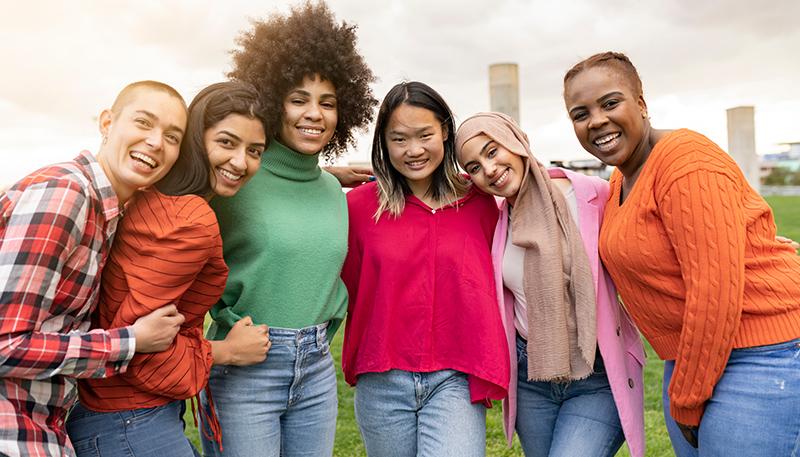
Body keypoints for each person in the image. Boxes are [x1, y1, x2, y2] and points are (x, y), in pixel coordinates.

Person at [562, 51, 800, 456]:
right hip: (693, 357)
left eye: (610, 103)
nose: (596, 121)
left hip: (760, 354)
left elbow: (715, 291)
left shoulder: (685, 162)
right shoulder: (623, 175)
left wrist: (688, 396)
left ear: (641, 103)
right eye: (580, 113)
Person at [199, 3, 376, 456]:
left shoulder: (332, 193)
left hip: (316, 368)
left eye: (328, 102)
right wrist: (226, 323)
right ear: (273, 99)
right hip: (244, 365)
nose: (314, 113)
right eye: (298, 99)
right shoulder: (234, 180)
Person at [65, 81, 272, 456]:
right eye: (226, 143)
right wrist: (225, 352)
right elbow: (138, 348)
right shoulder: (189, 219)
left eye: (254, 151)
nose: (241, 162)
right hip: (129, 420)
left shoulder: (152, 196)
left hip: (115, 416)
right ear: (195, 139)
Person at [0, 80, 187, 456]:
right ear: (107, 123)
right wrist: (131, 341)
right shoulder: (66, 195)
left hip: (44, 422)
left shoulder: (111, 213)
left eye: (172, 136)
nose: (155, 142)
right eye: (143, 123)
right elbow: (5, 344)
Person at [455, 112, 645, 457]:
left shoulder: (594, 195)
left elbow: (650, 244)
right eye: (475, 167)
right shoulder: (495, 216)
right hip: (532, 376)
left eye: (492, 151)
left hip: (595, 371)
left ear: (515, 142)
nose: (489, 169)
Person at [341, 82, 508, 457]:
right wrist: (326, 175)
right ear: (383, 142)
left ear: (445, 131)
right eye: (398, 139)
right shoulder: (358, 208)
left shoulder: (481, 202)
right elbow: (346, 282)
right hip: (382, 378)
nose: (413, 151)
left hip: (455, 377)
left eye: (424, 135)